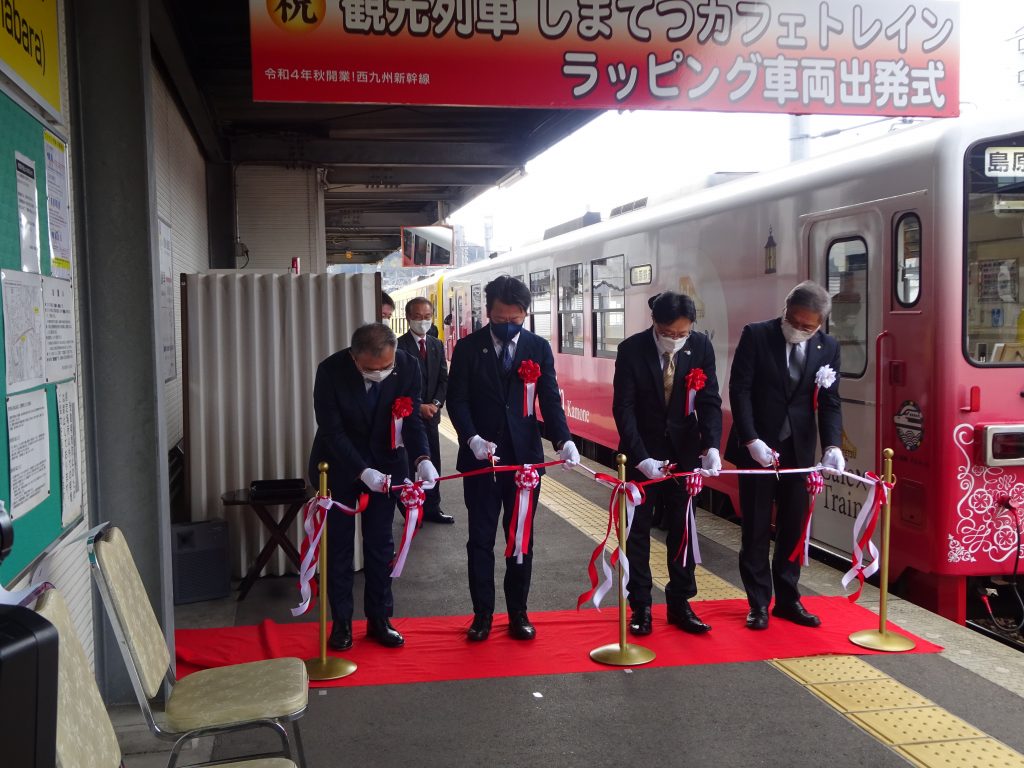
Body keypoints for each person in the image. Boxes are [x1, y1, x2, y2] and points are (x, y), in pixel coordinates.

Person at [447, 275, 580, 642]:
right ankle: (482, 614)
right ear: (488, 312)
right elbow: (457, 399)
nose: (508, 326)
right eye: (501, 319)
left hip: (524, 461)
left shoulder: (538, 348)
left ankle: (518, 612)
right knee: (480, 539)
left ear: (525, 314)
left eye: (515, 319)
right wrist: (471, 438)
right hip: (481, 460)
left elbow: (549, 397)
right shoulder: (468, 348)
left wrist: (564, 440)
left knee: (520, 537)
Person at [308, 322, 437, 650]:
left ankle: (380, 618)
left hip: (389, 464)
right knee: (339, 548)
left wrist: (422, 457)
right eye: (370, 369)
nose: (380, 373)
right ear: (354, 358)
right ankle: (342, 623)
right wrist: (363, 471)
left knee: (380, 544)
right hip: (338, 466)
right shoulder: (331, 371)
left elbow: (410, 417)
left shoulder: (406, 365)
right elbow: (332, 431)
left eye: (386, 367)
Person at [724, 280, 844, 630]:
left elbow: (831, 401)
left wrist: (832, 445)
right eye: (794, 322)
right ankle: (758, 602)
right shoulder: (757, 335)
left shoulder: (828, 347)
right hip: (758, 447)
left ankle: (789, 599)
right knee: (757, 527)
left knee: (794, 527)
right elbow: (740, 389)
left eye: (808, 326)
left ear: (821, 323)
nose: (799, 330)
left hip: (800, 450)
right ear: (785, 311)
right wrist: (751, 440)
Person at [612, 292, 722, 636]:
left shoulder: (700, 347)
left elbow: (709, 400)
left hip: (685, 454)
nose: (676, 340)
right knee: (638, 532)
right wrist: (641, 458)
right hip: (641, 452)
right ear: (655, 324)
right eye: (669, 333)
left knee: (683, 530)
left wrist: (713, 446)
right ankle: (641, 606)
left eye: (682, 334)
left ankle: (680, 603)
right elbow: (624, 408)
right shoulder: (631, 350)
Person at [397, 297, 452, 524]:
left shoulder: (436, 344)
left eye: (427, 317)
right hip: (409, 416)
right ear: (409, 318)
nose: (423, 321)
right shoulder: (398, 346)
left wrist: (436, 404)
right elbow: (396, 383)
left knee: (433, 461)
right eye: (418, 317)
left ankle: (433, 507)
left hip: (432, 414)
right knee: (410, 462)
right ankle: (410, 509)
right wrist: (418, 406)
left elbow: (443, 380)